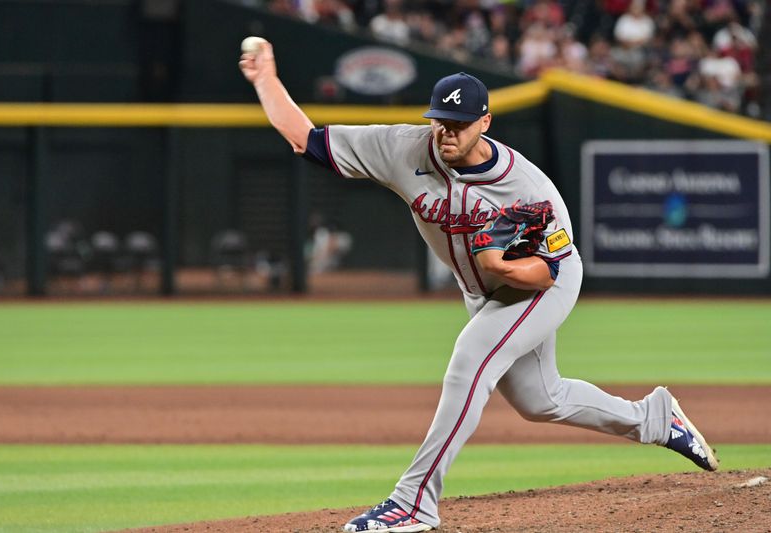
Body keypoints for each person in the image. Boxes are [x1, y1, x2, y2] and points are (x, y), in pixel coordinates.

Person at [239, 40, 719, 533]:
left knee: (470, 357)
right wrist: (265, 81)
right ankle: (655, 419)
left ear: (485, 122)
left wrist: (504, 267)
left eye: (460, 124)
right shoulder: (406, 150)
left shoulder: (529, 190)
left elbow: (546, 271)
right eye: (440, 121)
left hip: (540, 285)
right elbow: (308, 141)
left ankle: (414, 501)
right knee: (541, 401)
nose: (446, 132)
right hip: (483, 292)